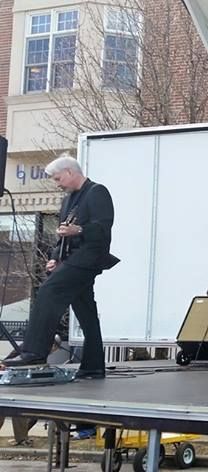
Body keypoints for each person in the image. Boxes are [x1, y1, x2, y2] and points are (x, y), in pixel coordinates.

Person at [2, 155, 119, 379]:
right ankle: (94, 366)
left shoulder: (97, 192)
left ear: (70, 172)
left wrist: (80, 230)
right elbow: (63, 235)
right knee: (86, 312)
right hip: (72, 259)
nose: (57, 184)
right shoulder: (68, 200)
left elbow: (103, 228)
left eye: (58, 179)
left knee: (49, 291)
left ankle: (34, 352)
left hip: (88, 258)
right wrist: (55, 258)